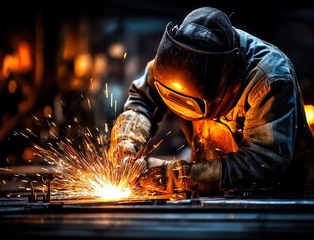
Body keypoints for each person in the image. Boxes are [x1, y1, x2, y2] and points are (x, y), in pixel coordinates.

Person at [107, 6, 314, 196]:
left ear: (227, 82)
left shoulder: (270, 80)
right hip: (210, 194)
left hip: (278, 198)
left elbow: (262, 164)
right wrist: (126, 142)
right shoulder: (175, 58)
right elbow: (142, 99)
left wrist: (173, 177)